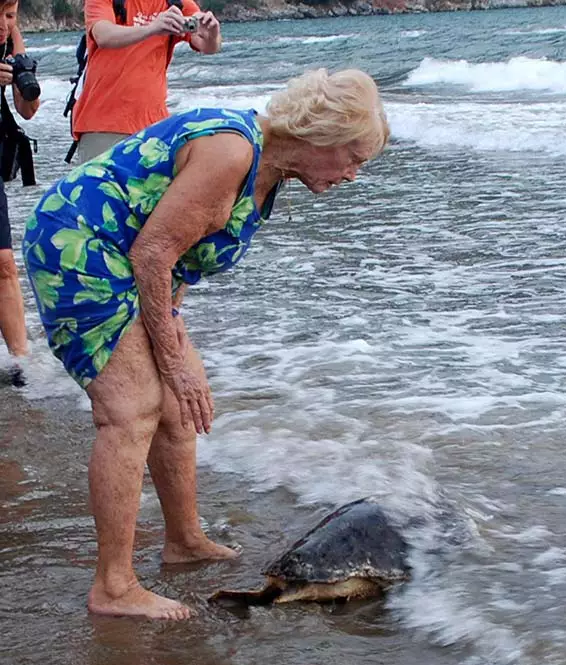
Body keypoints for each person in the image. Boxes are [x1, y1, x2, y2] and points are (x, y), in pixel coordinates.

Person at [23, 68, 389, 620]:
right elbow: (153, 254)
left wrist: (176, 343)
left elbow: (180, 259)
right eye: (354, 158)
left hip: (130, 259)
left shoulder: (267, 174)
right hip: (80, 245)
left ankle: (184, 541)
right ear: (322, 135)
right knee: (131, 409)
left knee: (177, 406)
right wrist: (173, 360)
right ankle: (114, 587)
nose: (355, 175)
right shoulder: (232, 152)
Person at [72, 0, 221, 163]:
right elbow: (103, 35)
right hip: (103, 125)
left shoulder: (175, 2)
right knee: (100, 188)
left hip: (155, 127)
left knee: (152, 188)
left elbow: (207, 45)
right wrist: (152, 28)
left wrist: (211, 35)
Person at [0, 0, 39, 386]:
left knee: (4, 263)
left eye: (10, 15)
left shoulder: (10, 38)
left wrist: (24, 80)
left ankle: (21, 363)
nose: (3, 24)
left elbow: (27, 111)